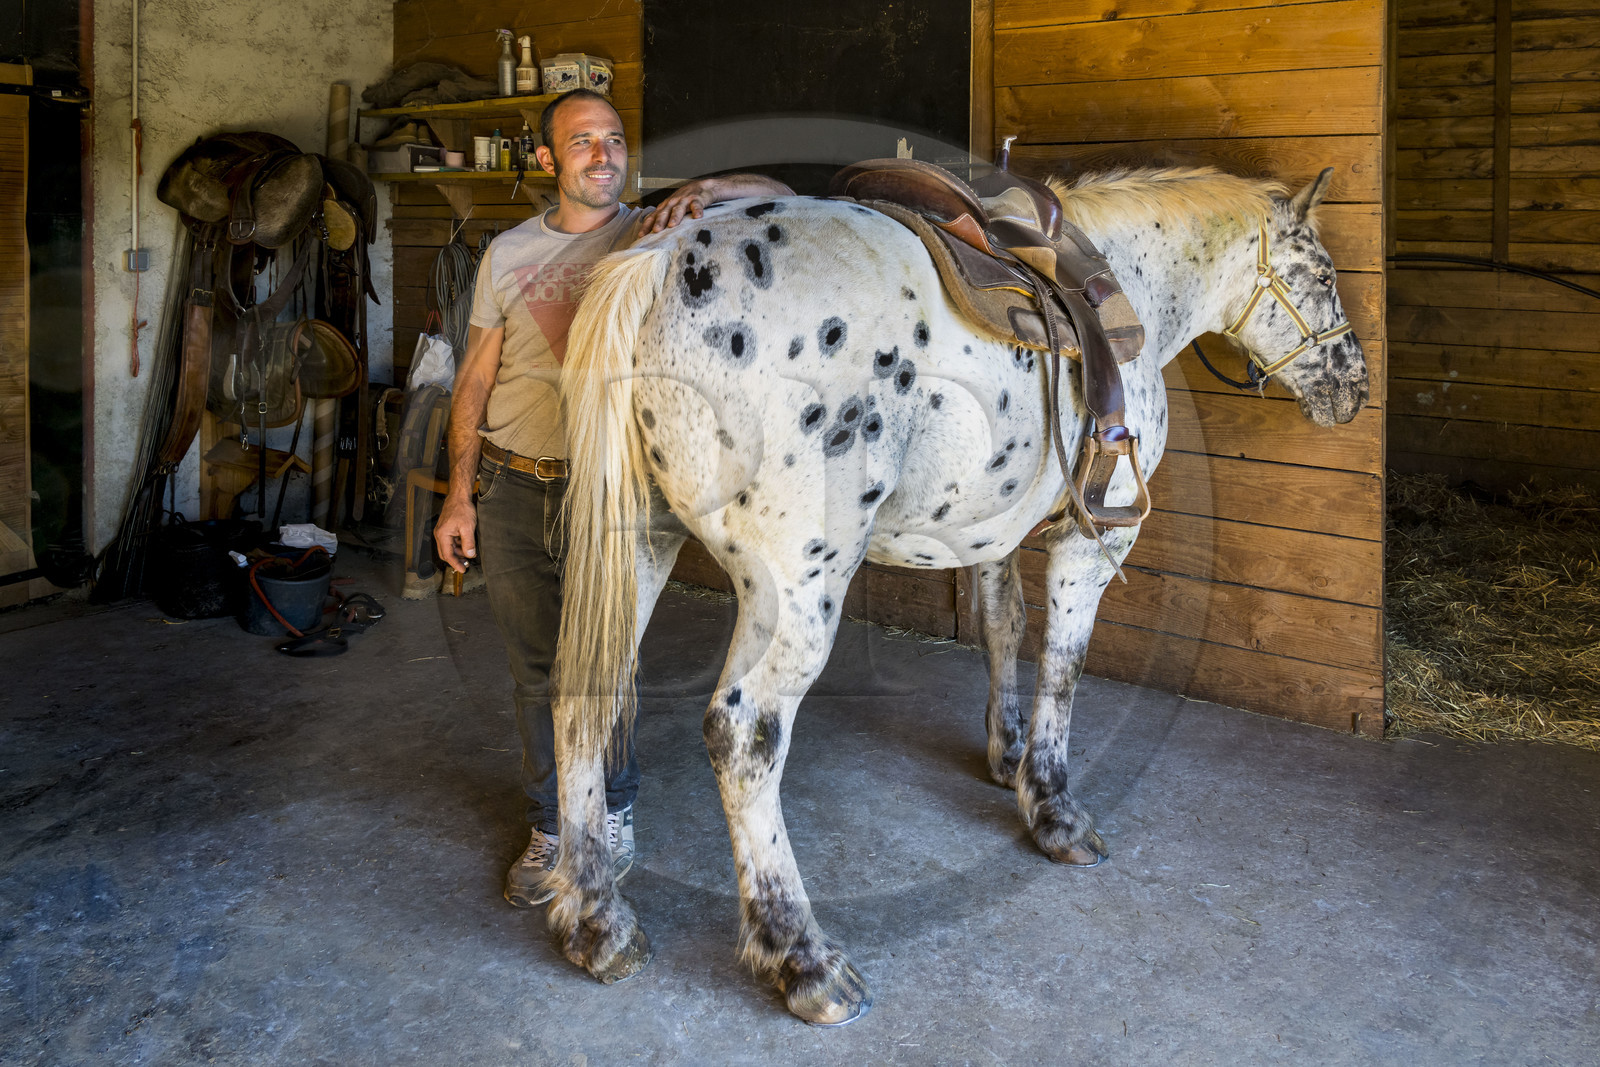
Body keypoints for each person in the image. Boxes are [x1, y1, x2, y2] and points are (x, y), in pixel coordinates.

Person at [434, 88, 792, 908]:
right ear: (549, 160)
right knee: (534, 669)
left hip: (617, 490)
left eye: (615, 140)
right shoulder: (505, 253)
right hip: (512, 481)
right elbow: (476, 377)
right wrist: (459, 495)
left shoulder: (657, 231)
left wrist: (708, 193)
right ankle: (553, 824)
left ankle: (612, 809)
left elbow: (779, 193)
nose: (603, 154)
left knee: (603, 663)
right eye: (583, 142)